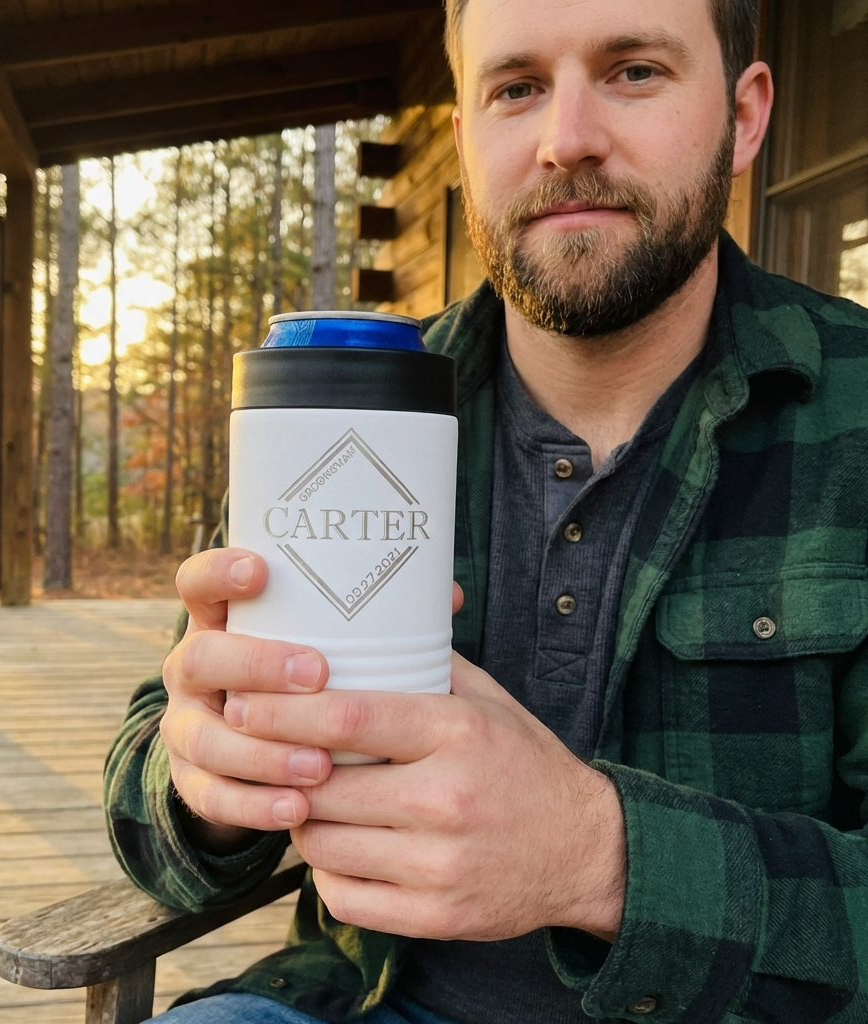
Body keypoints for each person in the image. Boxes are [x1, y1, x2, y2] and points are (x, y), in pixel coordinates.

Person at [104, 0, 868, 1020]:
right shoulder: (342, 415)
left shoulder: (852, 415)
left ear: (745, 114)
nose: (566, 141)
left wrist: (600, 858)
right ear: (465, 139)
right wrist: (208, 786)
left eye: (634, 70)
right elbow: (151, 790)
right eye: (516, 88)